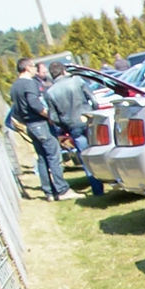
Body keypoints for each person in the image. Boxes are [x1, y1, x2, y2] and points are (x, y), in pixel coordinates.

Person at [9, 58, 77, 201]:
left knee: (42, 158)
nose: (35, 69)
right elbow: (35, 104)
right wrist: (49, 115)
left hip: (30, 125)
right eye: (33, 66)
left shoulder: (15, 86)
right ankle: (62, 190)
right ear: (27, 68)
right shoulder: (29, 84)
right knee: (54, 156)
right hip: (40, 123)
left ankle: (49, 192)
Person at [44, 61, 103, 195]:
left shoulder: (50, 92)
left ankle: (97, 189)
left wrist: (64, 126)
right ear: (64, 71)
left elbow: (53, 117)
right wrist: (95, 113)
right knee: (100, 150)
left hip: (72, 126)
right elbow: (94, 101)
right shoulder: (77, 81)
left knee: (85, 158)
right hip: (88, 119)